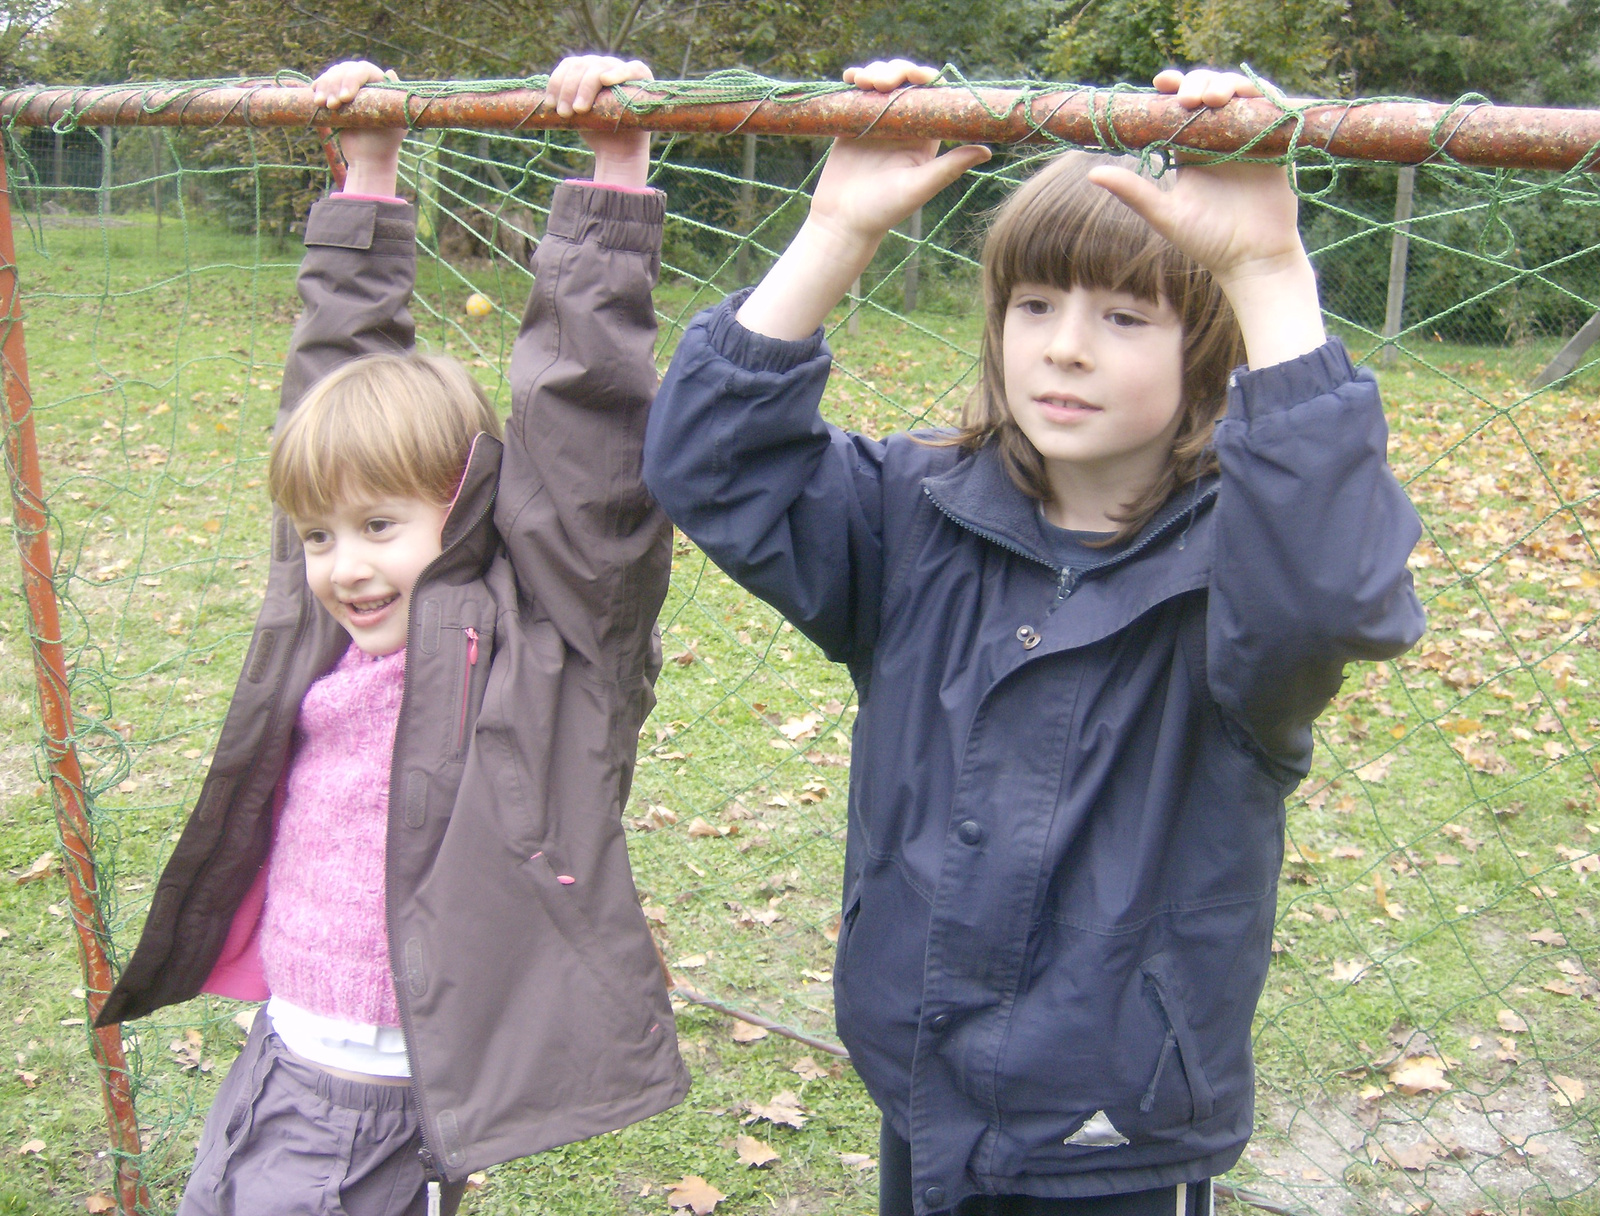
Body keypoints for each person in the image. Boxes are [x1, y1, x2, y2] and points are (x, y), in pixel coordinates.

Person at [642, 60, 1425, 1216]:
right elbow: (709, 463)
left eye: (1122, 317)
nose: (1064, 347)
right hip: (923, 1076)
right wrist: (833, 229)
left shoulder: (1240, 574)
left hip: (1112, 1124)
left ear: (1203, 354)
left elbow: (1334, 594)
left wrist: (1264, 272)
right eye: (1035, 305)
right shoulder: (913, 515)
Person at [95, 55, 689, 1216]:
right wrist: (367, 172)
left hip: (367, 1102)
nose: (341, 564)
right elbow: (334, 387)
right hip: (279, 1058)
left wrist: (614, 181)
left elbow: (586, 434)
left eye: (378, 526)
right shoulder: (329, 625)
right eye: (318, 535)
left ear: (466, 505)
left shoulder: (541, 642)